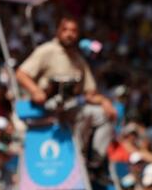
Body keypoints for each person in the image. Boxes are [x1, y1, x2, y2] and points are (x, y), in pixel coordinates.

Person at [14, 15, 116, 173]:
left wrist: (104, 101)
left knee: (104, 115)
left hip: (70, 108)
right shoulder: (47, 50)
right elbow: (21, 73)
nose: (69, 34)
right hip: (46, 109)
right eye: (66, 30)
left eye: (74, 31)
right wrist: (35, 90)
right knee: (83, 114)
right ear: (58, 31)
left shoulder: (78, 59)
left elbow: (89, 93)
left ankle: (94, 161)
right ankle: (76, 159)